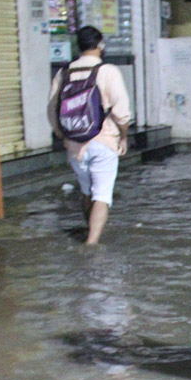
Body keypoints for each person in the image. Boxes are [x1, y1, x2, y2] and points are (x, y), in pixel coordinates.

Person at [47, 25, 131, 245]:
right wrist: (123, 136)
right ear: (100, 45)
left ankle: (89, 229)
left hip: (74, 143)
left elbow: (52, 108)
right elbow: (121, 112)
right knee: (102, 196)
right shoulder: (108, 71)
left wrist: (61, 134)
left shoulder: (63, 72)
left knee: (87, 192)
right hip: (103, 140)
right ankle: (91, 246)